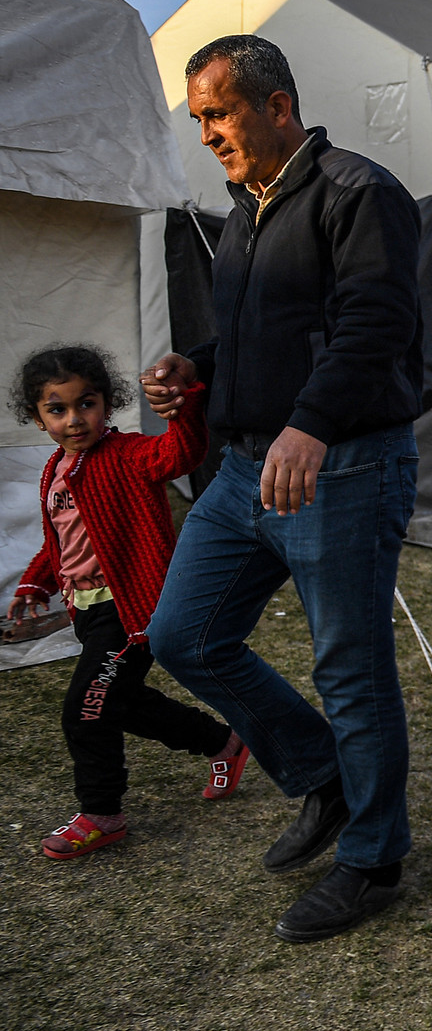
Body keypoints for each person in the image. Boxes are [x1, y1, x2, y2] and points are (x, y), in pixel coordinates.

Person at [142, 34, 424, 944]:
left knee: (349, 665)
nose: (209, 135)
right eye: (199, 121)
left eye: (218, 114)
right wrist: (199, 366)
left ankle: (375, 857)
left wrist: (310, 423)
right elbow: (277, 335)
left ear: (277, 104)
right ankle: (324, 778)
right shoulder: (245, 207)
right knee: (186, 634)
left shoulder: (357, 192)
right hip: (244, 465)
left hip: (338, 464)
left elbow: (375, 325)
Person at [9, 346, 251, 860]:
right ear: (37, 417)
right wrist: (36, 583)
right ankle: (223, 743)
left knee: (85, 711)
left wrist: (183, 408)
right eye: (58, 410)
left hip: (131, 612)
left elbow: (180, 455)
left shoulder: (129, 456)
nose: (74, 420)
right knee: (119, 702)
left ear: (108, 403)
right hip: (88, 612)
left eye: (86, 404)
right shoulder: (57, 467)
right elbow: (63, 542)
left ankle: (101, 814)